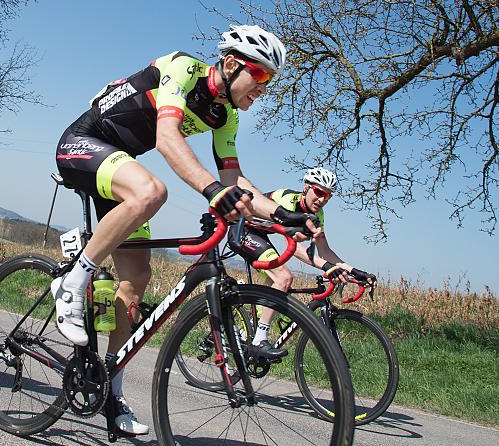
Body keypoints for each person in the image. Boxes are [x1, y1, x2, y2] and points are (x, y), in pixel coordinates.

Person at [52, 25, 320, 435]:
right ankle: (75, 278)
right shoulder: (182, 68)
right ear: (231, 64)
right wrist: (212, 191)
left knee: (134, 283)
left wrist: (283, 217)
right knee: (151, 192)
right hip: (82, 144)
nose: (264, 89)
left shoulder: (226, 115)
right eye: (262, 76)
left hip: (116, 166)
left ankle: (109, 394)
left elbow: (235, 178)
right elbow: (166, 137)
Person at [228, 167, 376, 359]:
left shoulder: (318, 215)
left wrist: (355, 271)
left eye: (328, 196)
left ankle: (249, 334)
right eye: (319, 192)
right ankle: (259, 340)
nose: (323, 199)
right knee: (284, 277)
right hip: (244, 231)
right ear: (306, 188)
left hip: (264, 235)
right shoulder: (288, 201)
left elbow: (324, 251)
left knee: (276, 287)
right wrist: (326, 267)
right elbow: (297, 250)